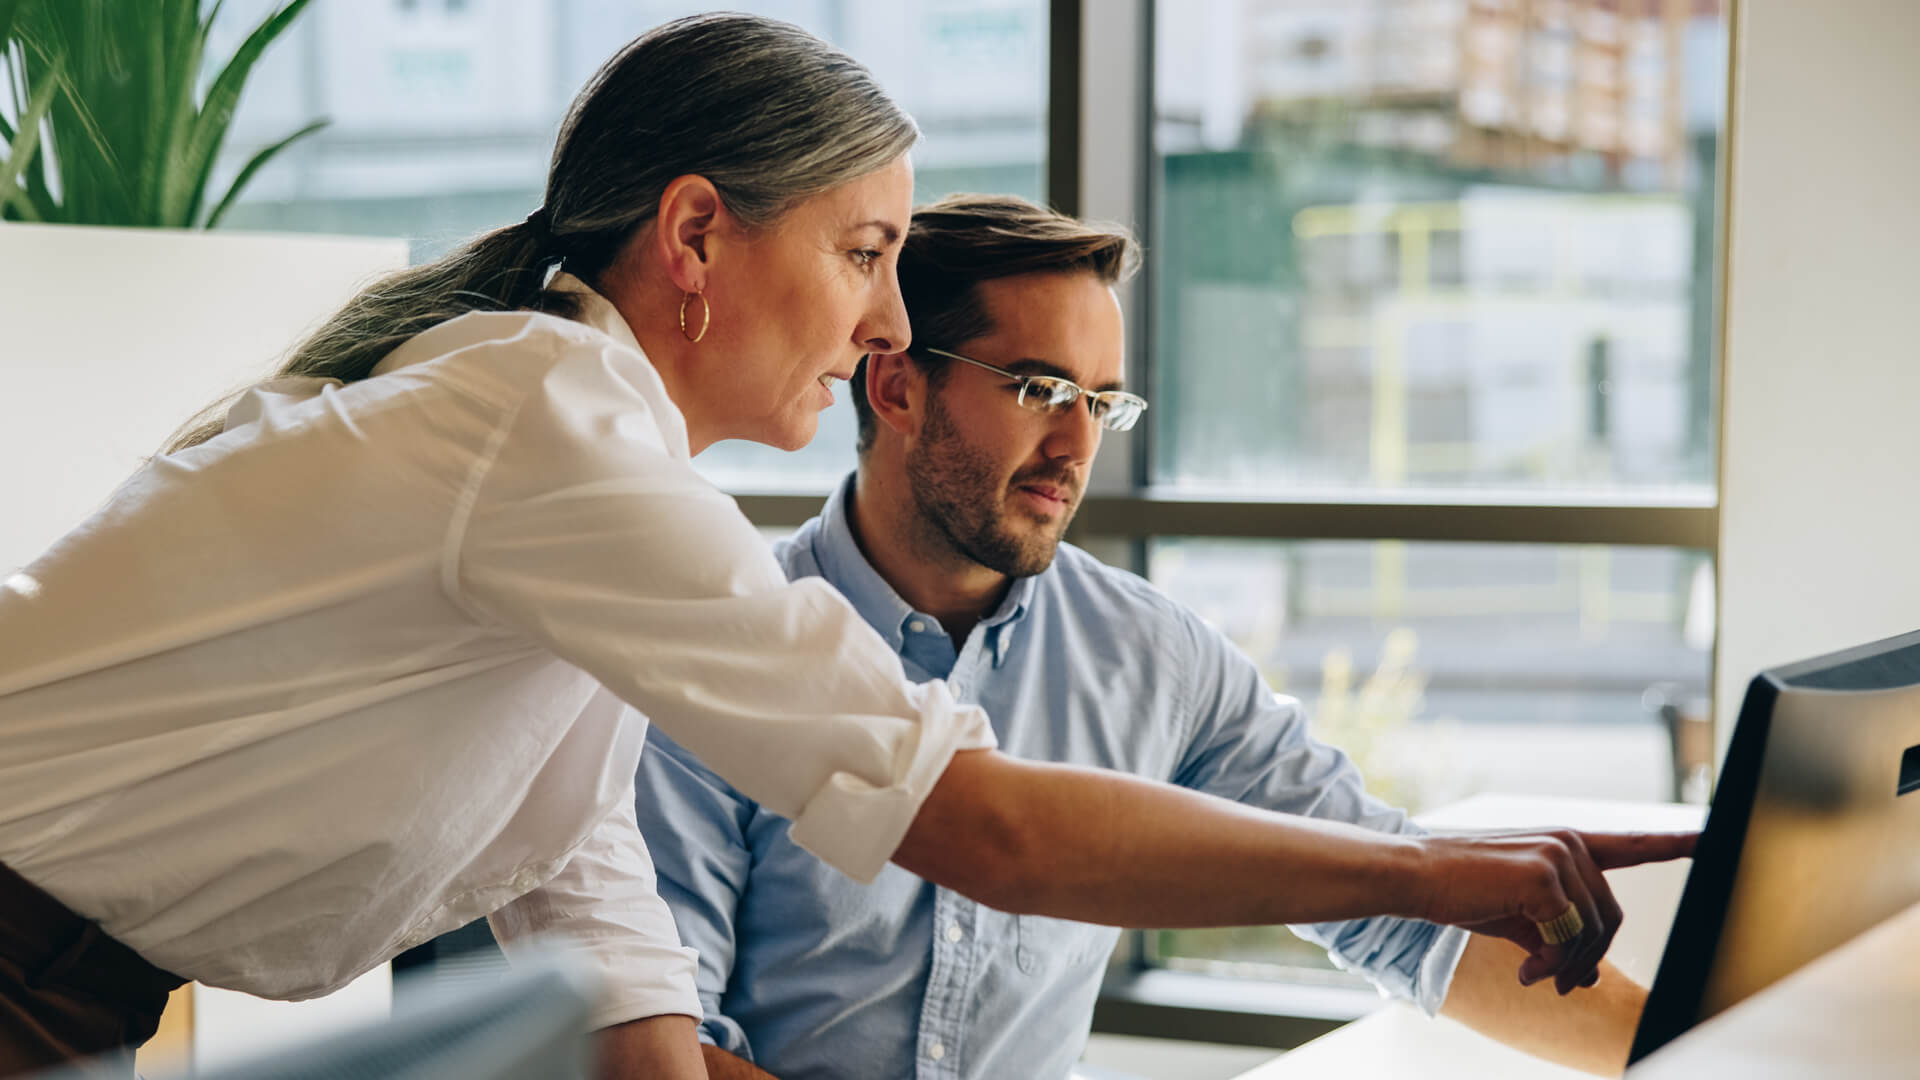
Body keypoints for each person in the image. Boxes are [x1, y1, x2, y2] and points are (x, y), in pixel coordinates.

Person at [0, 14, 1684, 1080]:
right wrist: (1428, 867)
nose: (885, 316)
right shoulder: (549, 429)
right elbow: (983, 825)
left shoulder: (577, 491)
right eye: (867, 250)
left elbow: (588, 911)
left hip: (70, 990)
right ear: (695, 238)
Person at [635, 194, 1671, 1080]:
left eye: (1102, 401)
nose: (1079, 445)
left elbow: (1394, 906)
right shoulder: (724, 659)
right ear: (897, 386)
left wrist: (1696, 1056)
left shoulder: (1151, 655)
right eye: (1039, 389)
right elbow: (662, 1043)